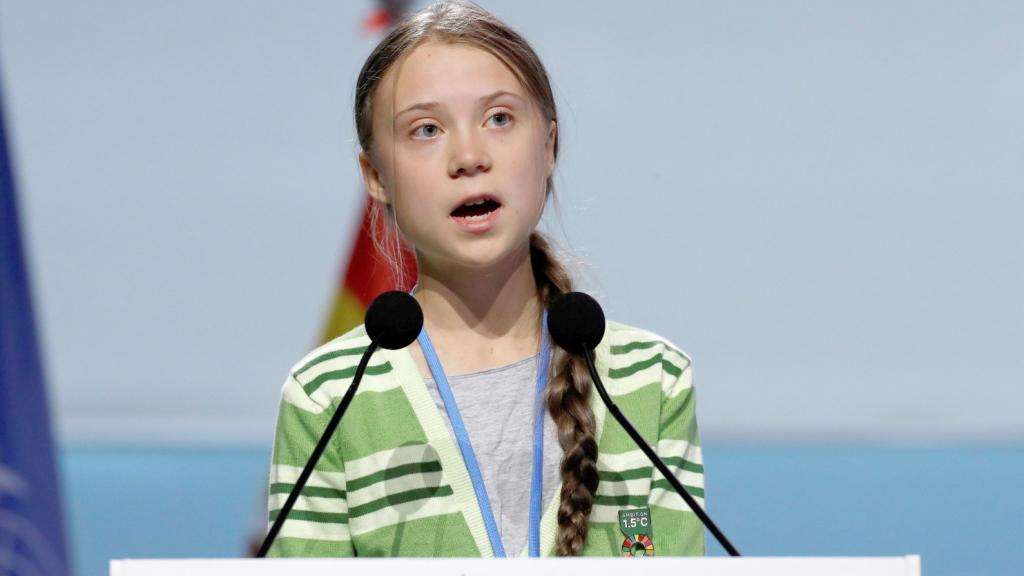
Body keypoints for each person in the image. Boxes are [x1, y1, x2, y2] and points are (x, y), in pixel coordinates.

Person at [267, 0, 705, 558]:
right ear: (375, 176)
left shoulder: (652, 382)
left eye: (499, 119)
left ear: (547, 146)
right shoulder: (328, 397)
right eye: (426, 130)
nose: (469, 156)